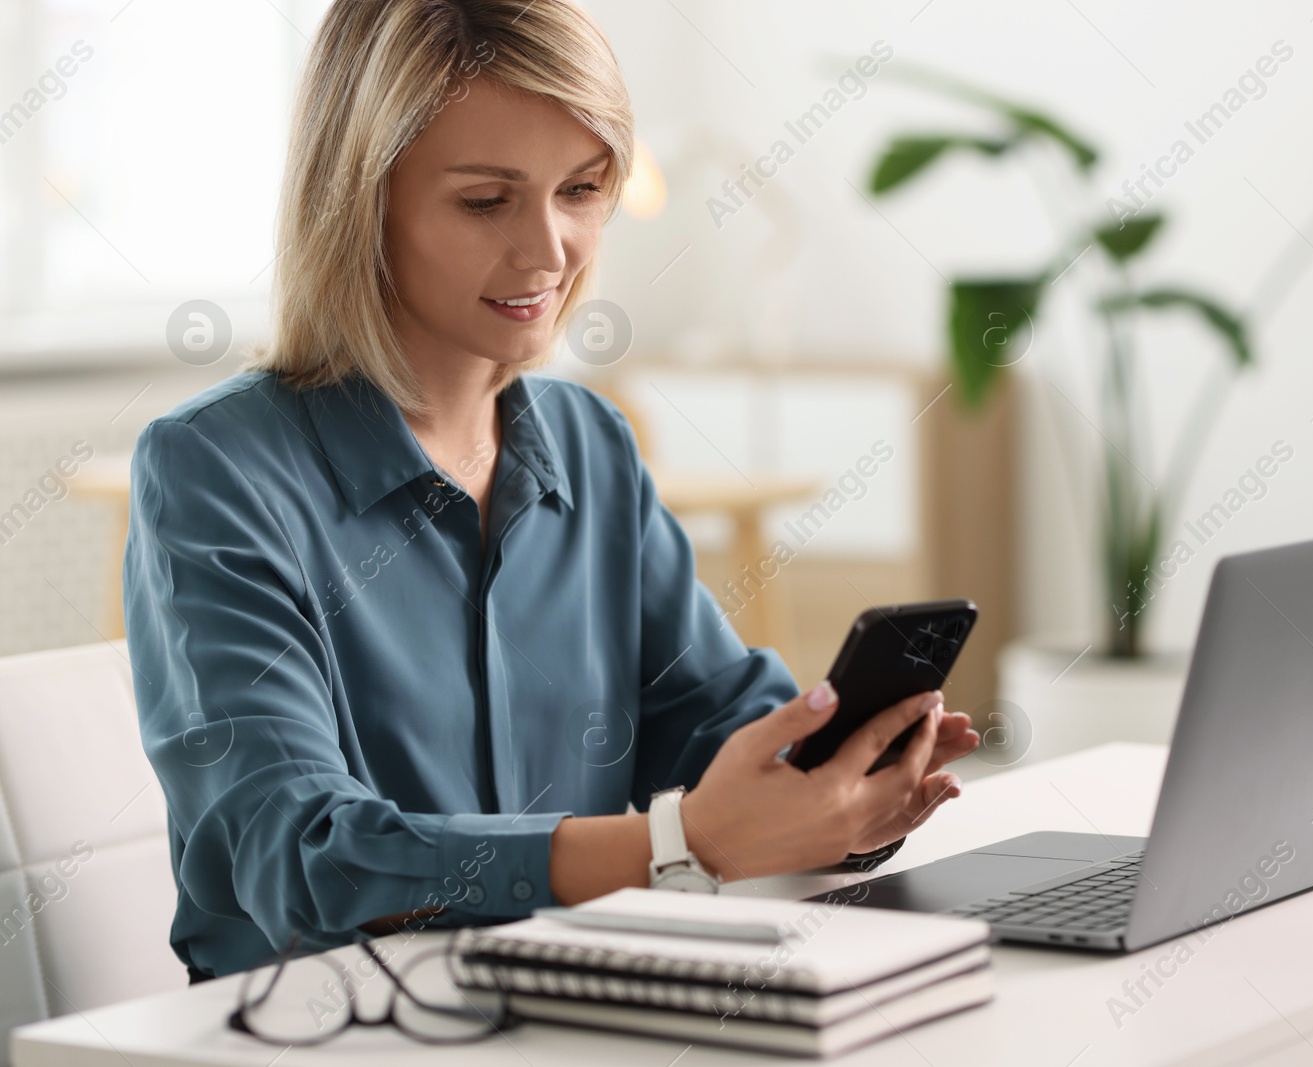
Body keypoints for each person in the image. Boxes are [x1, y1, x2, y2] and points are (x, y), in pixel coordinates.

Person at [123, 0, 979, 982]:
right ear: (361, 201)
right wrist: (682, 845)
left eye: (579, 189)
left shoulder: (589, 442)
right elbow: (302, 856)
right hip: (322, 1026)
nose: (549, 251)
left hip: (572, 997)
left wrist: (834, 793)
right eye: (486, 201)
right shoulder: (215, 468)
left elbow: (710, 720)